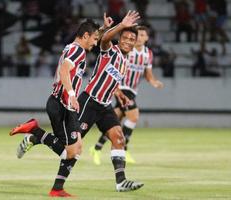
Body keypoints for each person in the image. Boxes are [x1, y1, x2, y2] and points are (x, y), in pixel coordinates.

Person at [9, 17, 109, 197]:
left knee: (77, 148)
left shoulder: (73, 47)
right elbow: (64, 70)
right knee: (69, 153)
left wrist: (103, 28)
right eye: (95, 39)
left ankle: (57, 188)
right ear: (85, 36)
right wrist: (71, 94)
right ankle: (36, 133)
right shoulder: (78, 50)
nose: (96, 43)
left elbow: (89, 36)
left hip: (65, 105)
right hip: (61, 104)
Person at [89, 25, 164, 165]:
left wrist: (154, 82)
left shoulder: (148, 54)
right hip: (121, 88)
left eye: (142, 35)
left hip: (133, 90)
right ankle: (124, 148)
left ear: (147, 38)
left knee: (113, 123)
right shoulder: (128, 50)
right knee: (134, 115)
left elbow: (148, 76)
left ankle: (96, 148)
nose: (139, 38)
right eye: (138, 35)